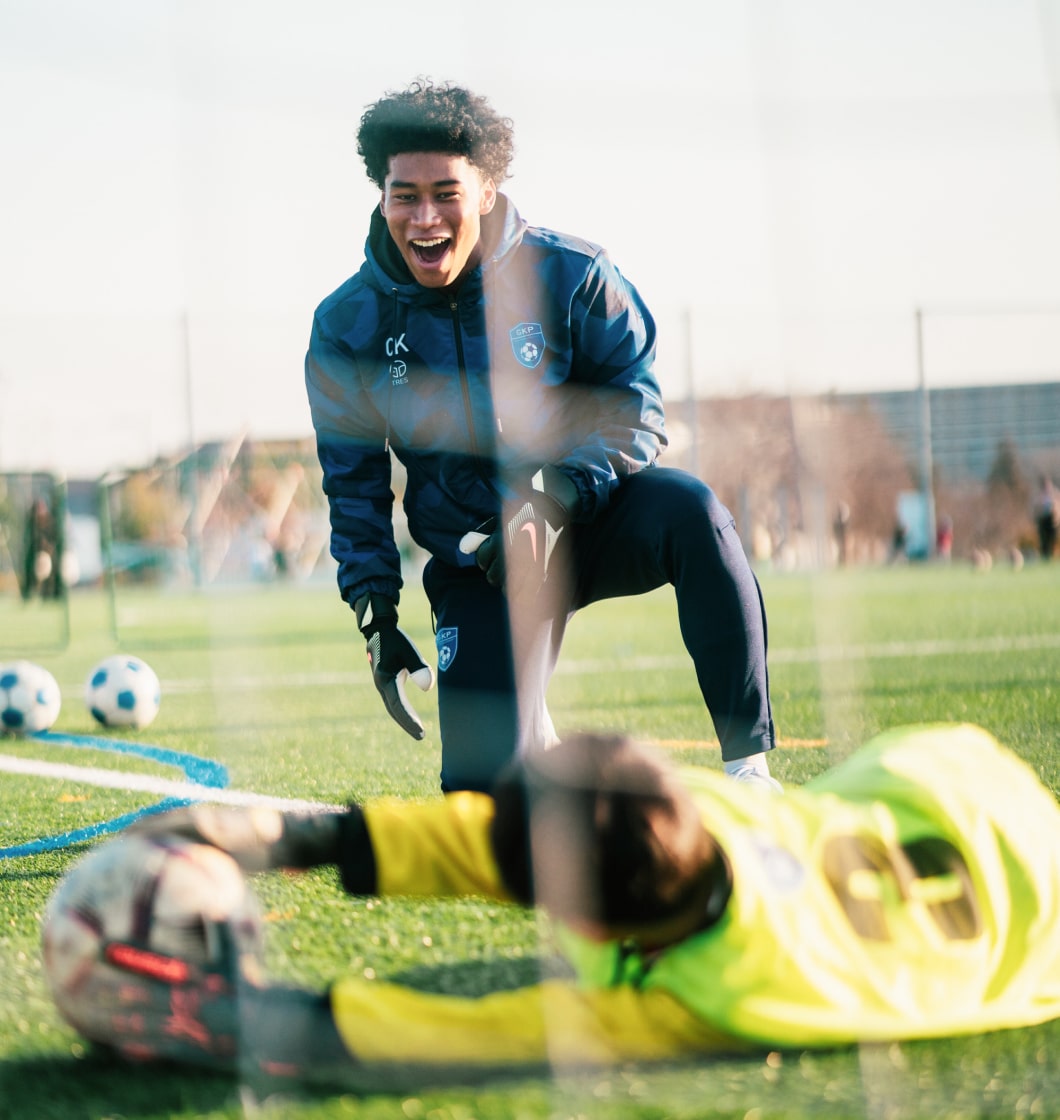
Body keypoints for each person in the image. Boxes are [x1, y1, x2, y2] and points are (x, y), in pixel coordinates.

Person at [99, 722, 1060, 1080]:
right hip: (952, 792)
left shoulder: (704, 1001)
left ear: (589, 926)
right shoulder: (702, 813)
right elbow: (502, 845)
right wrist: (291, 836)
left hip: (1023, 889)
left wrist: (233, 1013)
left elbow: (471, 1034)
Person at [304, 79, 778, 794]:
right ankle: (523, 711)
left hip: (583, 520)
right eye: (405, 195)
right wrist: (376, 616)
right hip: (480, 562)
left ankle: (749, 770)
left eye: (446, 192)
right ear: (382, 196)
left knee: (695, 514)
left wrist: (555, 493)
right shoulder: (347, 325)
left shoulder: (572, 274)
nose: (424, 218)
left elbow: (637, 409)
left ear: (488, 189)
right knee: (482, 804)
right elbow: (353, 485)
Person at [1034, 476, 1059, 561]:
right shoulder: (1039, 496)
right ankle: (1044, 557)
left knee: (1052, 540)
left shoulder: (1055, 495)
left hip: (1052, 521)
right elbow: (1036, 509)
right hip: (1043, 521)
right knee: (1044, 540)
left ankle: (1051, 557)